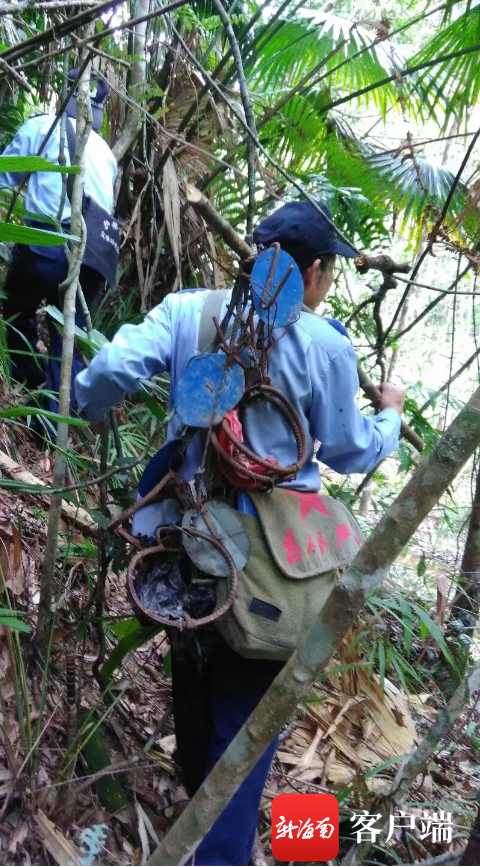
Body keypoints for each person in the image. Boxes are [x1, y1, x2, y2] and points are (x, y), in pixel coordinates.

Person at [74, 201, 405, 866]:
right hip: (267, 570)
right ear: (313, 272)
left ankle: (200, 820)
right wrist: (390, 416)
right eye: (329, 272)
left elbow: (108, 374)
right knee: (242, 723)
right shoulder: (324, 345)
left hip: (181, 542)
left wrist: (75, 407)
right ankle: (216, 847)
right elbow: (349, 449)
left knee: (194, 673)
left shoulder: (189, 311)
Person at [0, 69, 118, 422]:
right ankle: (56, 422)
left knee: (17, 309)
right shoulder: (106, 154)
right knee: (67, 339)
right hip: (94, 255)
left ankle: (27, 381)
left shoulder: (41, 127)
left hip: (47, 244)